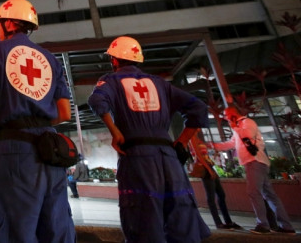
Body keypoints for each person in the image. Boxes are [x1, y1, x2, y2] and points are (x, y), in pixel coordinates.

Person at [87, 35, 211, 243]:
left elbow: (97, 100)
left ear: (114, 60)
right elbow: (198, 108)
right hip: (169, 158)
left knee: (142, 217)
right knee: (181, 216)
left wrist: (115, 131)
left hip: (137, 157)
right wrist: (181, 141)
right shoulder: (160, 83)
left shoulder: (111, 80)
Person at [0, 0, 75, 242]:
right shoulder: (51, 59)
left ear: (9, 23)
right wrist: (37, 124)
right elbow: (64, 113)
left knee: (13, 229)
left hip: (14, 153)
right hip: (51, 152)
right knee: (54, 228)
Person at [209, 105, 296, 235]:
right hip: (256, 163)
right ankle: (286, 226)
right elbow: (232, 143)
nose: (225, 117)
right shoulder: (238, 127)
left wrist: (234, 126)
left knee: (254, 193)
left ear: (234, 113)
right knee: (270, 195)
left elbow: (248, 136)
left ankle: (263, 225)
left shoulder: (247, 122)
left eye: (227, 114)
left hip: (254, 162)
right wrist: (213, 145)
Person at [187, 135, 242, 230]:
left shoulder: (199, 138)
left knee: (221, 194)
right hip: (204, 167)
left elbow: (204, 154)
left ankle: (228, 221)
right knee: (211, 196)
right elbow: (198, 155)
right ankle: (218, 222)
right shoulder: (192, 139)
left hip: (209, 165)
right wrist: (208, 169)